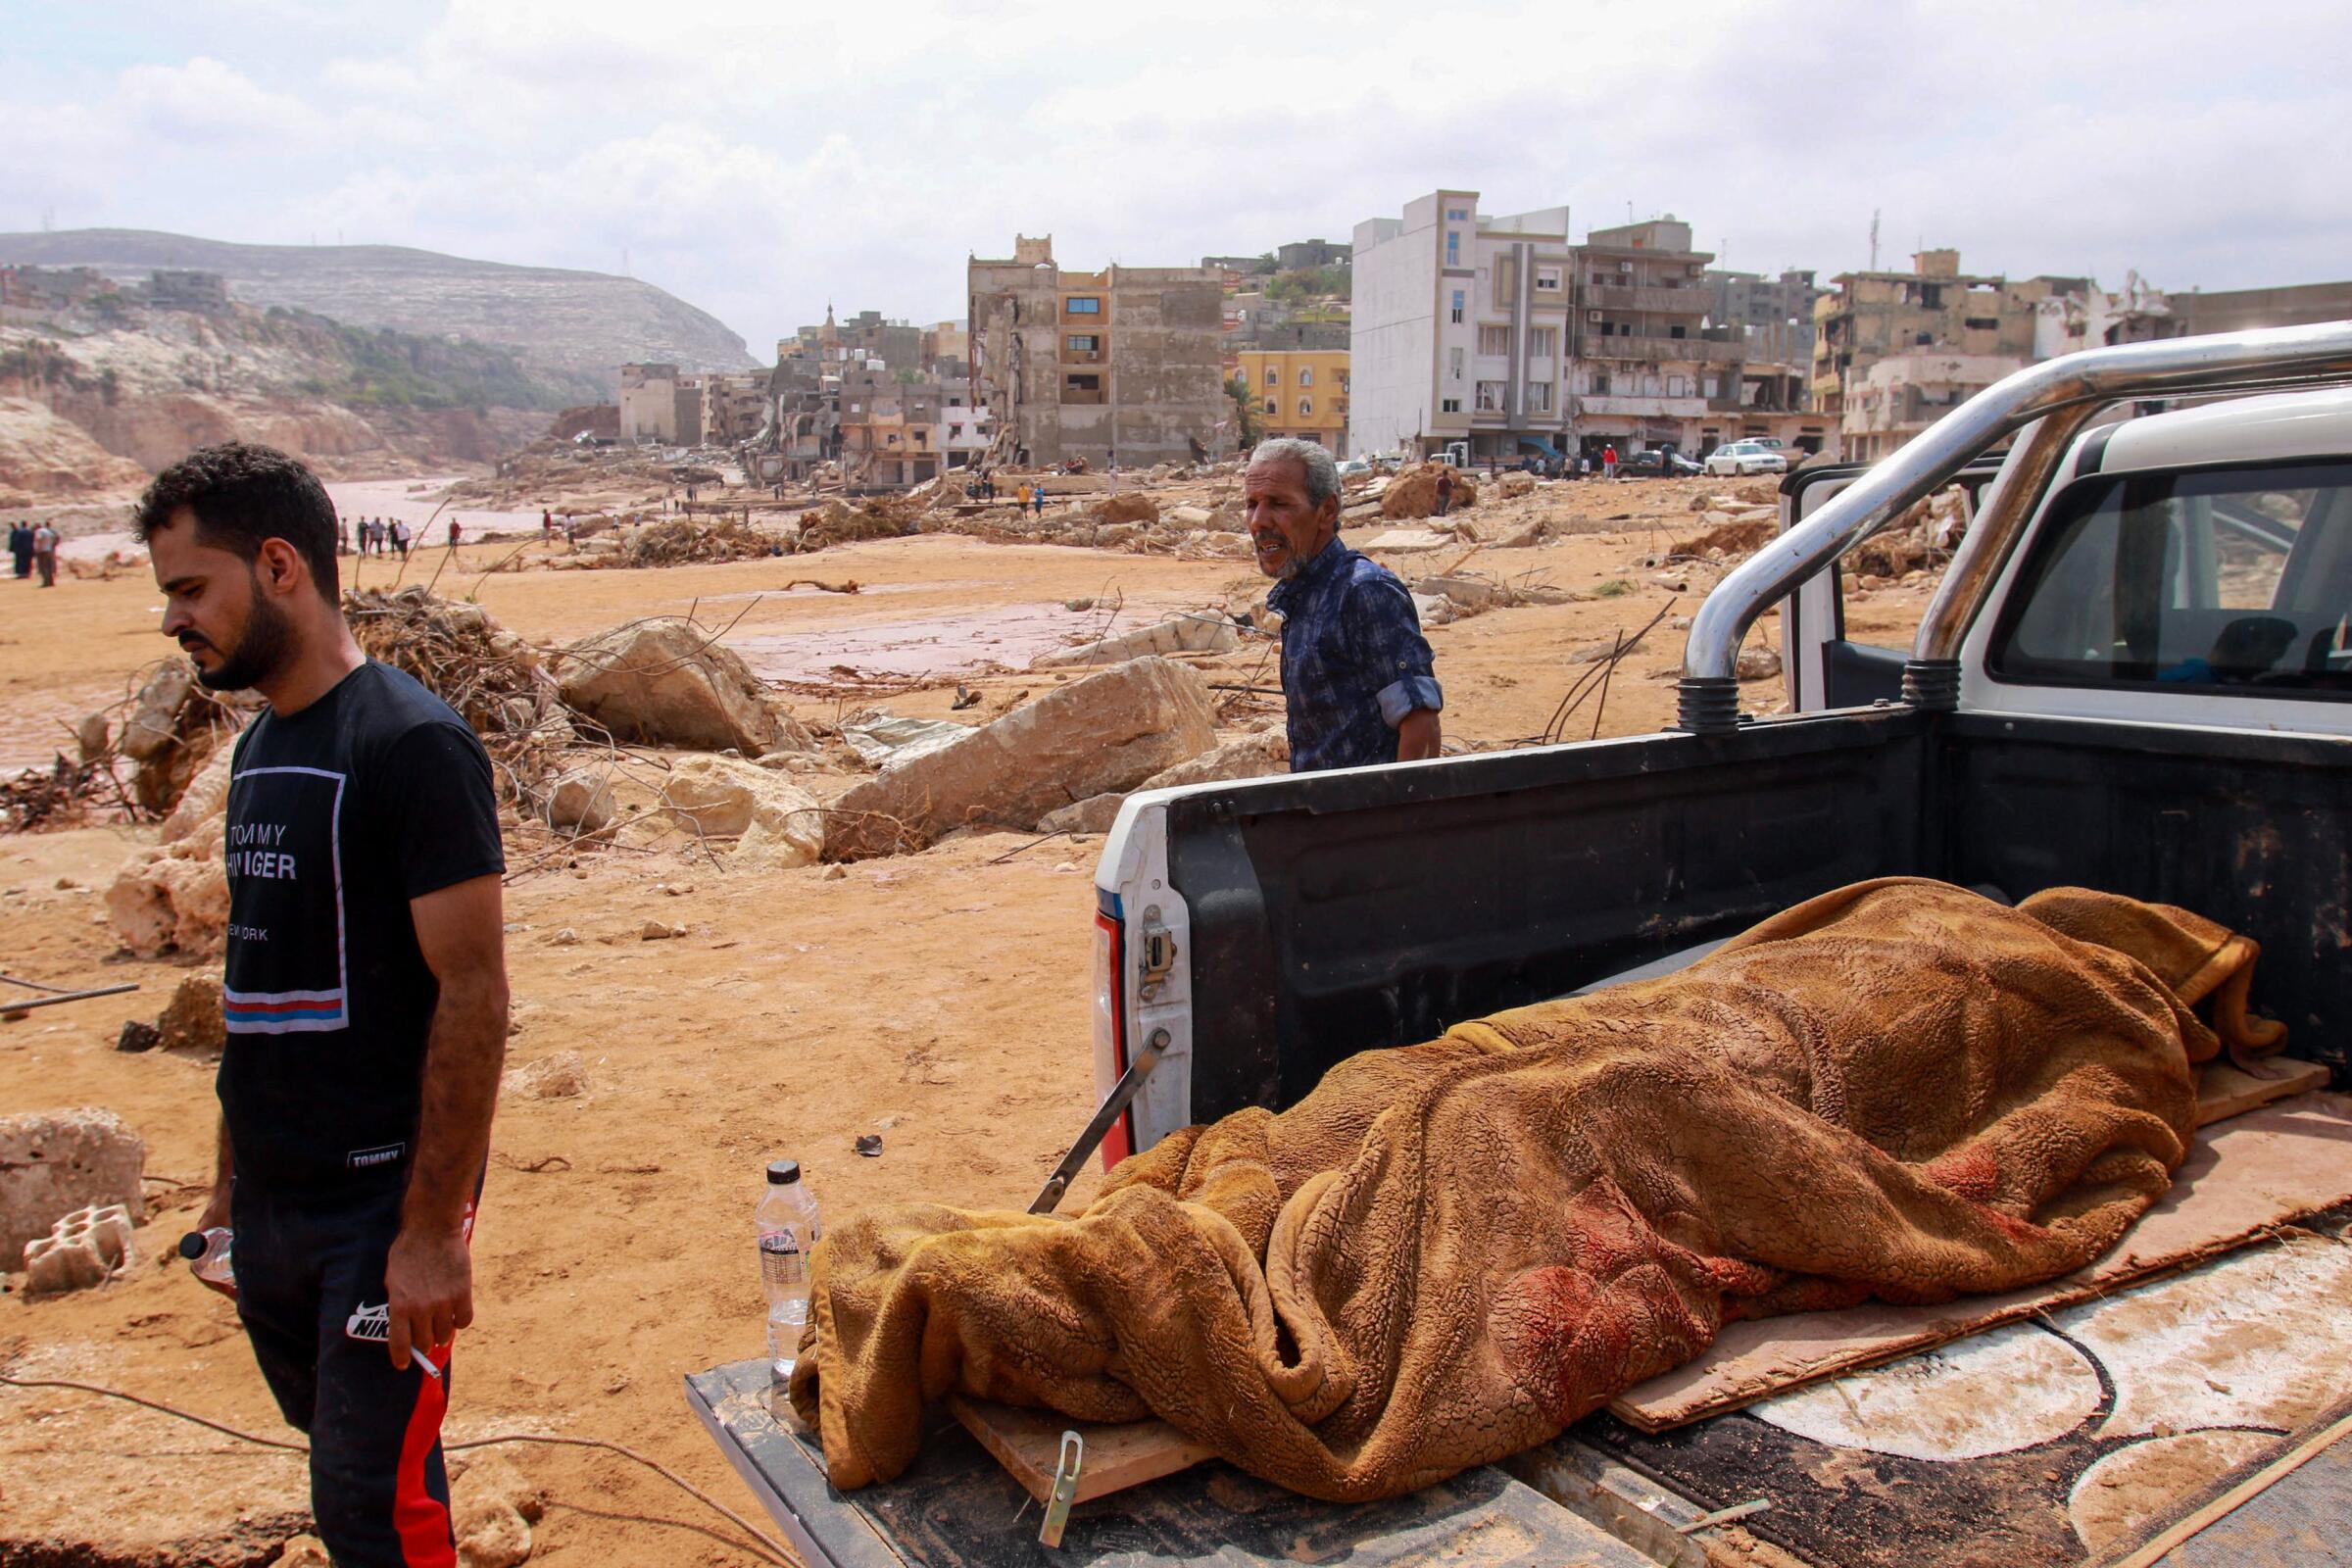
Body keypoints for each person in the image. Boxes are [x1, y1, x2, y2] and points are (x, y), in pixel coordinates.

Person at [133, 441, 509, 1566]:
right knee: (348, 1461)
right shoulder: (257, 749)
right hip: (274, 1210)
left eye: (190, 588)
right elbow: (255, 978)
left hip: (379, 1205)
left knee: (369, 1511)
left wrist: (432, 1230)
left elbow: (475, 993)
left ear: (281, 564)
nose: (173, 622)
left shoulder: (413, 743)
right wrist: (225, 1190)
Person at [1247, 437, 1442, 771]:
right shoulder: (1304, 596)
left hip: (1364, 817)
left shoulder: (1364, 592)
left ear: (1327, 511)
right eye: (1252, 504)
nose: (1258, 522)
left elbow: (1421, 724)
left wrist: (1401, 818)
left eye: (1278, 504)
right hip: (1322, 817)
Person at [32, 519, 60, 587]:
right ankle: (51, 582)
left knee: (43, 567)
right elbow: (56, 538)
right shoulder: (48, 531)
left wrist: (35, 549)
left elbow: (38, 540)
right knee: (49, 566)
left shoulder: (39, 531)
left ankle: (46, 582)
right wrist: (53, 545)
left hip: (42, 551)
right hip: (49, 550)